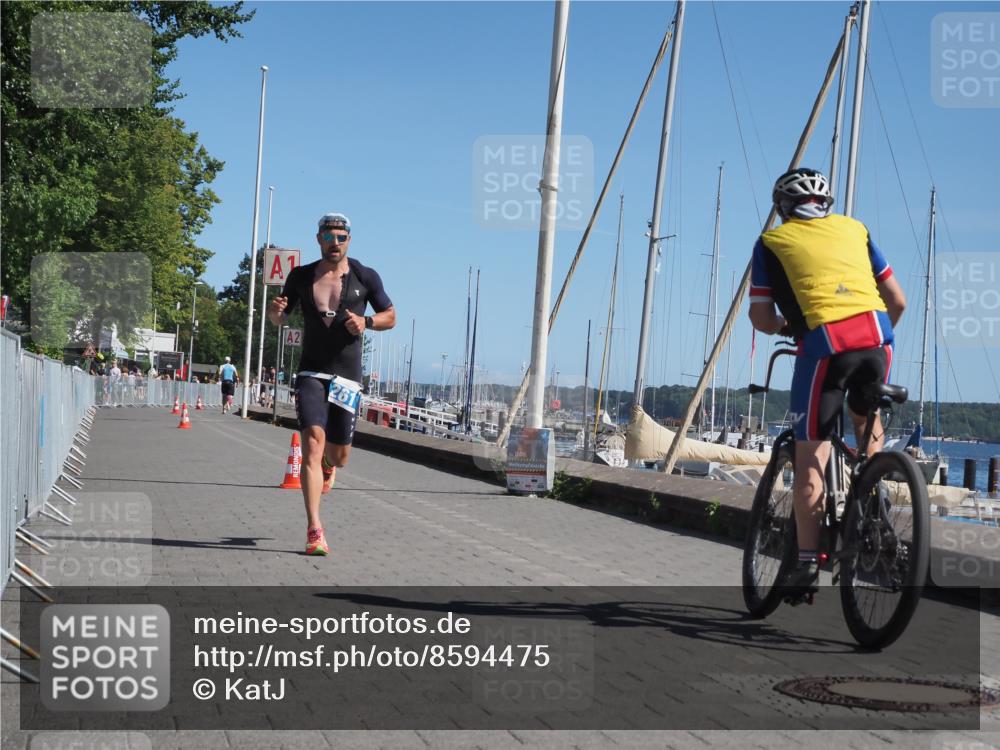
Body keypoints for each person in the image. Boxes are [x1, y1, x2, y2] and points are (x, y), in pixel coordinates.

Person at [748, 167, 907, 596]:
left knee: (810, 454)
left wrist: (786, 325)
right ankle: (873, 501)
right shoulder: (857, 229)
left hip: (826, 346)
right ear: (826, 206)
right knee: (863, 413)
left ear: (782, 209)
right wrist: (872, 339)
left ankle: (805, 564)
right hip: (878, 340)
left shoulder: (771, 243)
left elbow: (761, 318)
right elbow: (897, 300)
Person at [268, 212, 396, 555]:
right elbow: (280, 317)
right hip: (311, 372)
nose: (335, 243)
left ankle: (328, 467)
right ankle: (314, 529)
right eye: (328, 237)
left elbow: (391, 316)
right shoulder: (300, 275)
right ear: (318, 239)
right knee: (312, 442)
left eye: (341, 237)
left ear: (349, 240)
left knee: (339, 456)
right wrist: (275, 311)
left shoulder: (365, 276)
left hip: (347, 378)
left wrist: (367, 321)